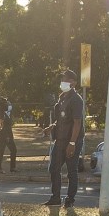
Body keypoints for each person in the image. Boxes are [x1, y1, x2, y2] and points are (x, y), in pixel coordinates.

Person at [43, 69, 85, 207]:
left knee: (71, 171)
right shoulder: (62, 97)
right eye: (62, 79)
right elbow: (62, 119)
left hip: (72, 141)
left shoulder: (76, 99)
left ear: (73, 82)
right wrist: (52, 126)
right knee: (54, 169)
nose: (63, 82)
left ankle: (70, 200)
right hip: (60, 141)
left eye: (66, 79)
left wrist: (72, 143)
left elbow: (77, 123)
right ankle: (55, 198)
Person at [0, 94, 17, 173]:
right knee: (2, 149)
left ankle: (11, 167)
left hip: (7, 130)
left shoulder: (6, 110)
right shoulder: (1, 111)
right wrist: (7, 135)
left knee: (9, 149)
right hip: (4, 131)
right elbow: (3, 123)